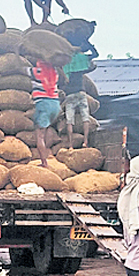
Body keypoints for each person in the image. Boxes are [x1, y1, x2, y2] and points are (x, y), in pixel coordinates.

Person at [59, 21, 98, 149]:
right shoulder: (81, 65)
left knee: (69, 121)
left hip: (70, 95)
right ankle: (85, 141)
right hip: (81, 94)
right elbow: (95, 55)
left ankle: (70, 144)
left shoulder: (66, 64)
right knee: (85, 119)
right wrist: (88, 44)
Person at [30, 58, 61, 168]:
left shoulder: (36, 71)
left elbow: (19, 69)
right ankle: (48, 154)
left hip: (43, 104)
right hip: (55, 104)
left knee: (39, 135)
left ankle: (44, 162)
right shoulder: (55, 73)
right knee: (47, 129)